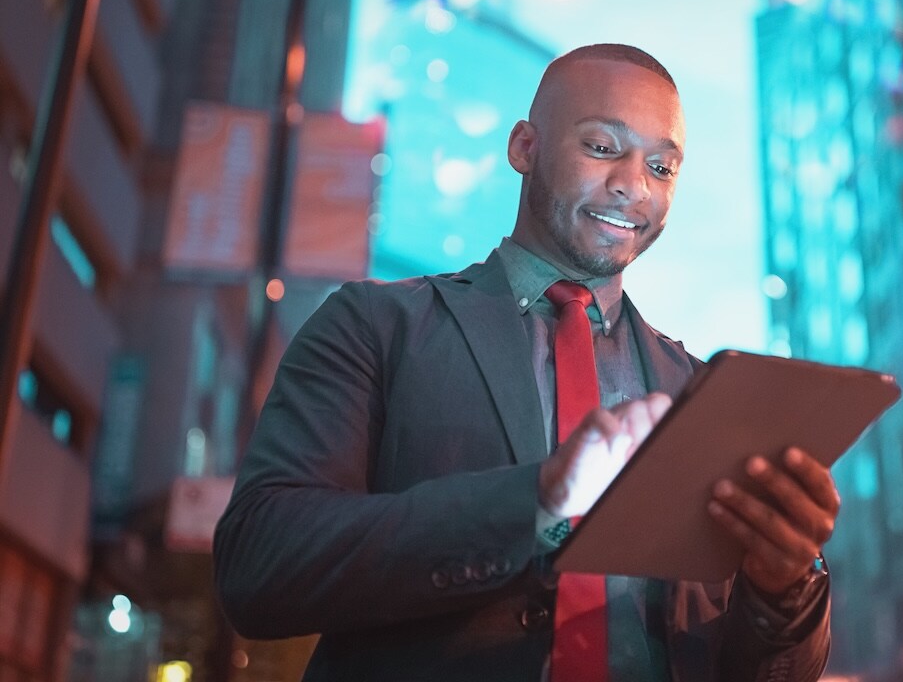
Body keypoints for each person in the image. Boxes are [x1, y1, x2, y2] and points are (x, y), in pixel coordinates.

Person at [213, 44, 841, 681]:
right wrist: (535, 505)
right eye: (602, 148)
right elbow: (259, 566)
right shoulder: (374, 325)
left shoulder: (700, 391)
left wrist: (780, 586)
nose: (633, 185)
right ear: (524, 148)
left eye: (661, 166)